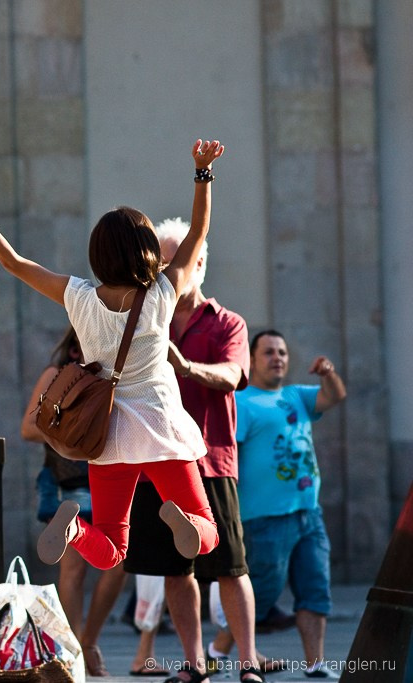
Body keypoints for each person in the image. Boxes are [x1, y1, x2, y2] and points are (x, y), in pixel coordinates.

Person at [0, 139, 225, 575]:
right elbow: (197, 233)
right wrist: (202, 173)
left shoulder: (78, 298)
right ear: (146, 249)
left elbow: (14, 263)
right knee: (208, 533)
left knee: (111, 546)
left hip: (108, 435)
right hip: (162, 427)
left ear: (97, 253)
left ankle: (73, 533)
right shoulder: (161, 294)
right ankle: (185, 522)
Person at [121, 217, 275, 683]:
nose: (167, 270)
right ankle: (194, 665)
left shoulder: (227, 322)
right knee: (173, 569)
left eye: (175, 261)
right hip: (156, 461)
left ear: (199, 263)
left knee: (230, 566)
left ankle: (248, 663)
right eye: (161, 262)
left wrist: (185, 366)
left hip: (209, 460)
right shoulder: (146, 319)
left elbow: (233, 376)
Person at [235, 330, 347, 679]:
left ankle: (315, 663)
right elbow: (231, 458)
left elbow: (335, 397)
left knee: (315, 588)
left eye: (282, 352)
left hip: (308, 514)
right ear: (252, 360)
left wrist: (328, 373)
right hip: (263, 519)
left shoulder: (296, 395)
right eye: (268, 352)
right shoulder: (242, 402)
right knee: (260, 593)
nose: (278, 358)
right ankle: (239, 655)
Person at [21, 326, 126, 676]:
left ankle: (88, 640)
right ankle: (73, 648)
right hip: (70, 480)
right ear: (75, 350)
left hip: (111, 475)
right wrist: (72, 437)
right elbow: (29, 427)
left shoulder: (118, 378)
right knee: (73, 567)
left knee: (118, 564)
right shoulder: (57, 375)